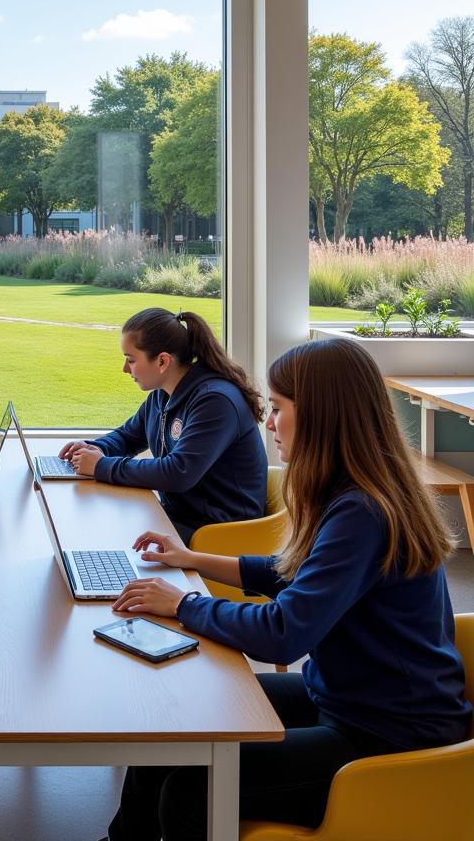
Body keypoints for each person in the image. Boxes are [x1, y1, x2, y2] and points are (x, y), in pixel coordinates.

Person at [99, 337, 472, 841]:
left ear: (321, 414)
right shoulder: (357, 492)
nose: (268, 423)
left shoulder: (362, 512)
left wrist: (184, 603)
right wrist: (192, 560)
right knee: (175, 726)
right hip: (344, 696)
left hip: (385, 734)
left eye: (277, 409)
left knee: (189, 792)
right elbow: (295, 574)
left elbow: (282, 633)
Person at [59, 308, 267, 543]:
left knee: (108, 536)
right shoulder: (163, 395)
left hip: (219, 532)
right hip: (181, 517)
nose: (125, 369)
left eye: (131, 360)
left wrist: (101, 466)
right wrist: (91, 449)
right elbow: (128, 437)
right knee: (99, 527)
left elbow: (178, 473)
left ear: (162, 361)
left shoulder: (215, 401)